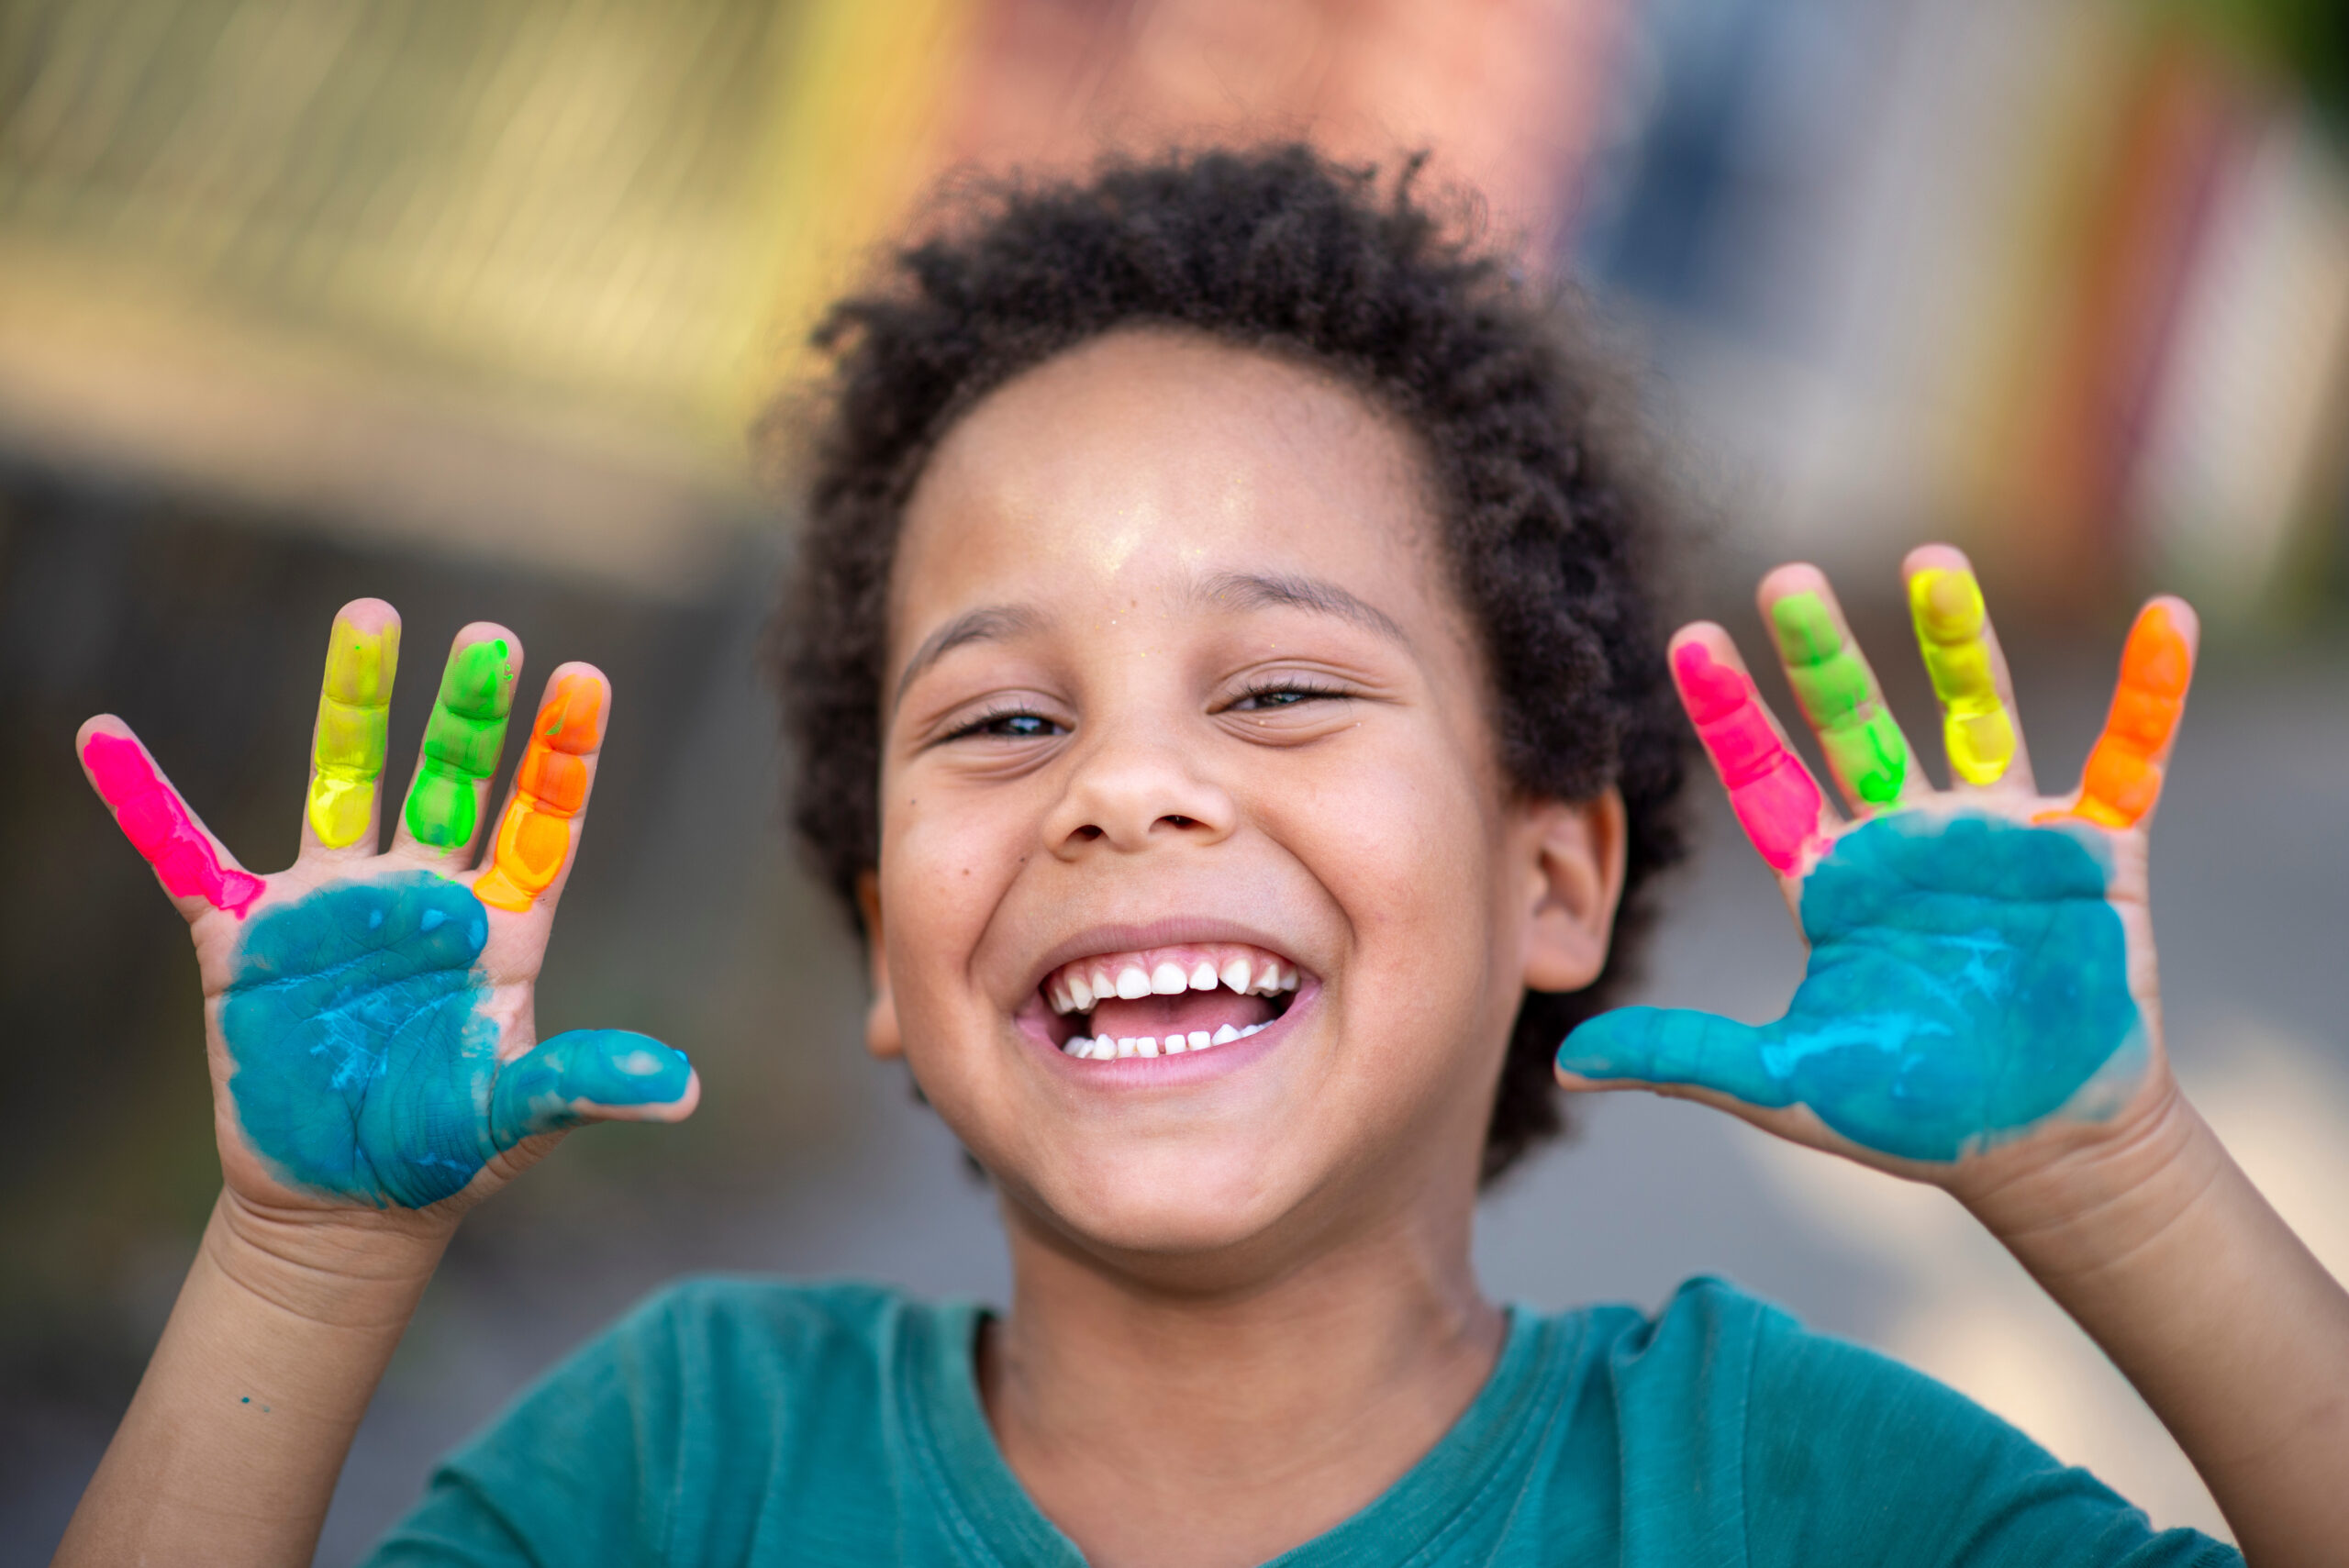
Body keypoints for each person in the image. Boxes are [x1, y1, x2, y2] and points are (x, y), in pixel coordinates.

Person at [52, 146, 2348, 1568]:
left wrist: (2115, 1174)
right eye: (1001, 719)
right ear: (883, 942)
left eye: (1276, 690)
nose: (1117, 790)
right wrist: (301, 1260)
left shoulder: (1775, 1489)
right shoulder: (688, 1463)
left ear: (1554, 875)